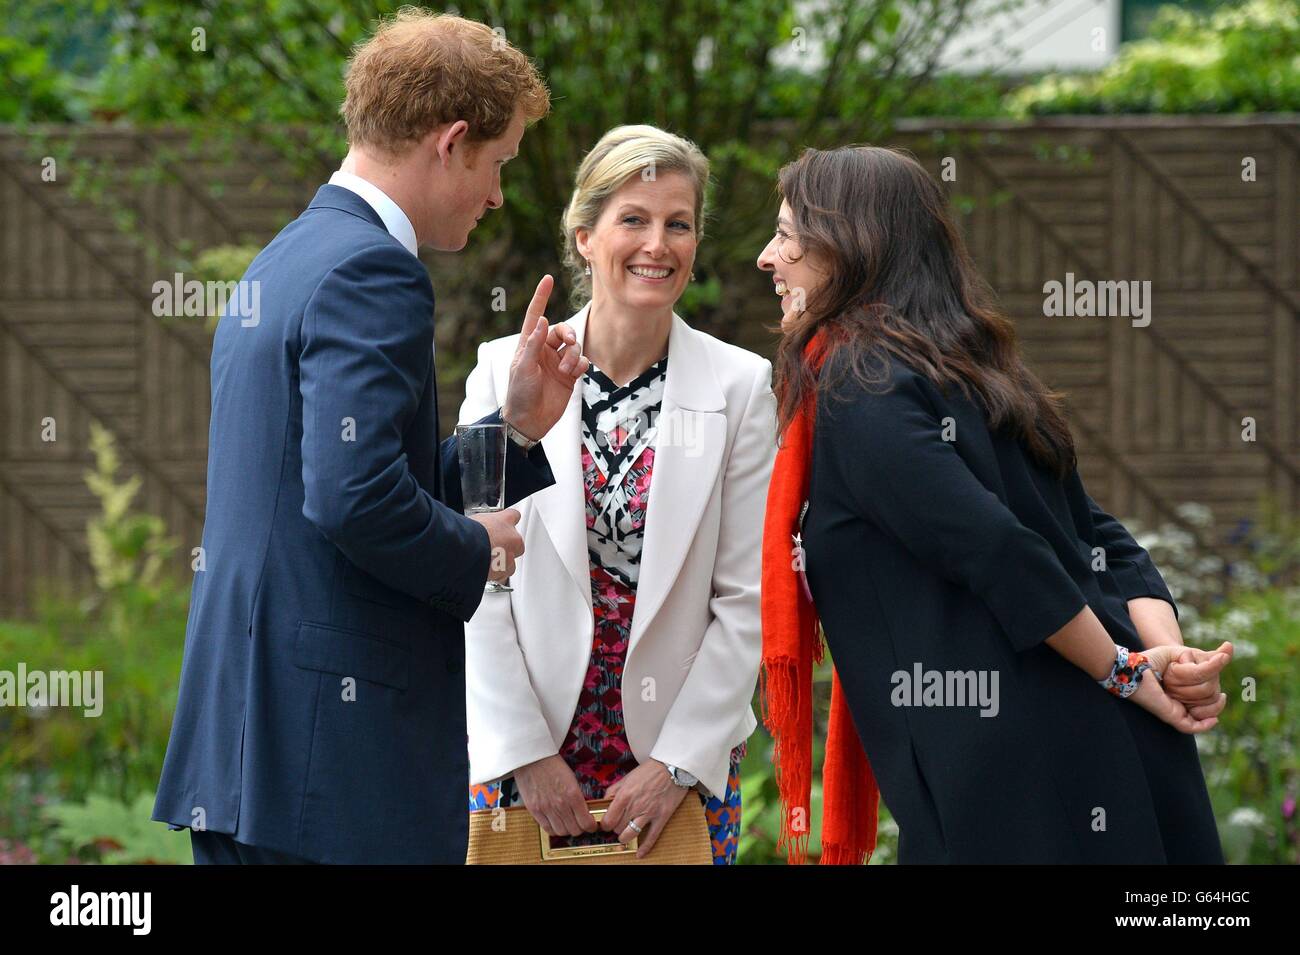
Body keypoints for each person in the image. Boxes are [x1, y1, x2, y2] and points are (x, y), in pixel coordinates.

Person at [151, 11, 589, 864]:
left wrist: (515, 428)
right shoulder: (373, 268)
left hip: (259, 752)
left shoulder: (287, 255)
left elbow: (338, 479)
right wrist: (473, 548)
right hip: (330, 762)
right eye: (496, 163)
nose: (497, 194)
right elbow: (352, 496)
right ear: (451, 141)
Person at [756, 145, 1233, 864]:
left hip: (1023, 783)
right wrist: (1158, 651)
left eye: (788, 235)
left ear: (852, 245)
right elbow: (1100, 536)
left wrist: (1131, 669)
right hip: (1096, 750)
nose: (768, 257)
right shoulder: (975, 368)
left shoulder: (861, 383)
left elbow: (999, 548)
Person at [461, 125, 776, 864]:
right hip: (528, 759)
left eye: (679, 224)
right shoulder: (502, 371)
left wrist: (675, 763)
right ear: (584, 237)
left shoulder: (739, 387)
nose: (656, 244)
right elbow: (478, 576)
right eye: (633, 219)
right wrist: (526, 752)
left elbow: (746, 598)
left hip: (675, 766)